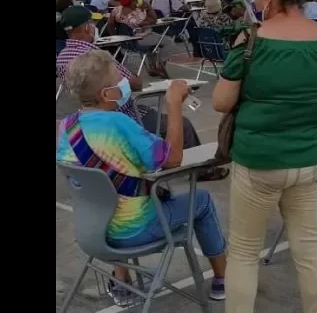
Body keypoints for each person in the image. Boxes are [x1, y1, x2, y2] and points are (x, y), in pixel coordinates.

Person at [212, 0, 317, 313]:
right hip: (312, 157)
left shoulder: (252, 41)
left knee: (243, 252)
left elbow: (222, 103)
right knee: (308, 245)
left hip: (259, 159)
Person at [57, 51, 227, 306]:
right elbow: (172, 159)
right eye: (119, 79)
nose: (125, 83)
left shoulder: (66, 126)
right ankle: (222, 280)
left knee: (117, 196)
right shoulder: (119, 124)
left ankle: (121, 284)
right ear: (106, 94)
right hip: (136, 230)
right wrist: (173, 106)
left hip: (93, 232)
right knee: (201, 200)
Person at [56, 6, 210, 152]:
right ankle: (201, 170)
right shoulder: (95, 56)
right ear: (86, 27)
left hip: (91, 117)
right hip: (125, 114)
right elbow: (136, 83)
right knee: (183, 124)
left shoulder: (61, 58)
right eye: (92, 23)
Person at [106, 0, 169, 78]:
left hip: (126, 42)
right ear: (131, 0)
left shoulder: (116, 10)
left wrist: (116, 36)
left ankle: (152, 66)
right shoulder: (137, 12)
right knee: (167, 42)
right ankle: (159, 67)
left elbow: (110, 24)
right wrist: (148, 7)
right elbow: (153, 20)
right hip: (140, 39)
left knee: (155, 43)